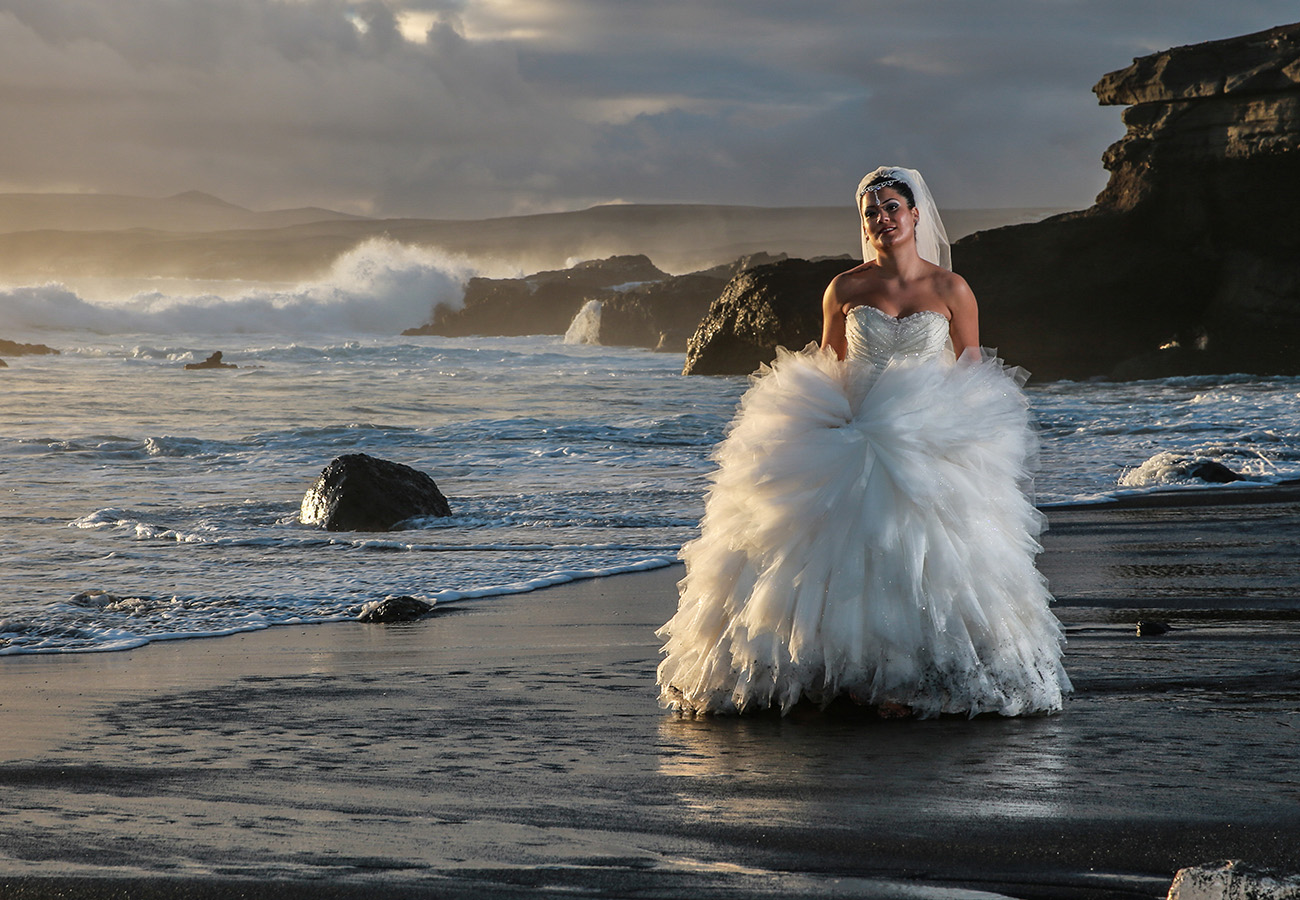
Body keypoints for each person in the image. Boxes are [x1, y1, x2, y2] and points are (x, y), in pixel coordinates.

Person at [655, 166, 1071, 718]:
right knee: (824, 555)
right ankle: (832, 672)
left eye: (892, 207)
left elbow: (972, 367)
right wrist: (820, 423)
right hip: (852, 430)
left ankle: (908, 676)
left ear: (916, 214)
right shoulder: (845, 288)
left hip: (925, 438)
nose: (882, 219)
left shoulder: (952, 289)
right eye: (871, 212)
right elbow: (831, 364)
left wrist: (963, 434)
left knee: (922, 555)